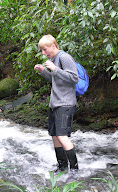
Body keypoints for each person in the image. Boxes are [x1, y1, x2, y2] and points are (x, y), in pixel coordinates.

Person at [34, 35, 79, 172]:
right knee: (54, 135)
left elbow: (74, 78)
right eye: (41, 50)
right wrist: (43, 72)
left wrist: (55, 69)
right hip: (55, 103)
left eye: (45, 49)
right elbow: (55, 80)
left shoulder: (64, 57)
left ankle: (75, 169)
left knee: (62, 135)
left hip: (65, 104)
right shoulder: (53, 60)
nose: (43, 53)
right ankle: (62, 167)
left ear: (53, 46)